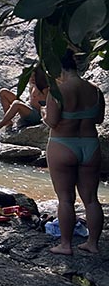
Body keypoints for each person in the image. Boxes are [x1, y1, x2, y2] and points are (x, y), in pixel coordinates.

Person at [44, 51, 104, 256]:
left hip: (63, 144)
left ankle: (65, 245)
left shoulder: (57, 91)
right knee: (91, 199)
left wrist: (44, 113)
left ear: (59, 69)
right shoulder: (95, 90)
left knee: (65, 198)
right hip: (90, 145)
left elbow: (52, 121)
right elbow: (98, 119)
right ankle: (93, 244)